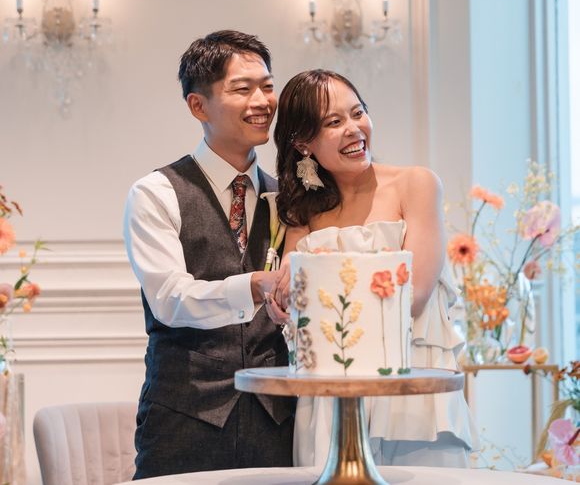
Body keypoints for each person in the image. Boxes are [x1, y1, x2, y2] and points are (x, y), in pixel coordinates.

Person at [273, 69, 478, 467]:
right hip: (330, 397)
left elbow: (414, 295)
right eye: (334, 122)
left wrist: (318, 295)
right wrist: (278, 301)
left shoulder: (416, 184)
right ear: (303, 144)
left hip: (412, 389)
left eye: (358, 112)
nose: (354, 129)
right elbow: (289, 294)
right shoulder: (301, 210)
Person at [124, 30, 294, 479]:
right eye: (242, 89)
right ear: (198, 106)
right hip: (183, 418)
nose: (262, 101)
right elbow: (170, 299)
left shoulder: (288, 199)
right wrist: (254, 284)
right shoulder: (156, 193)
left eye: (267, 86)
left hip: (277, 418)